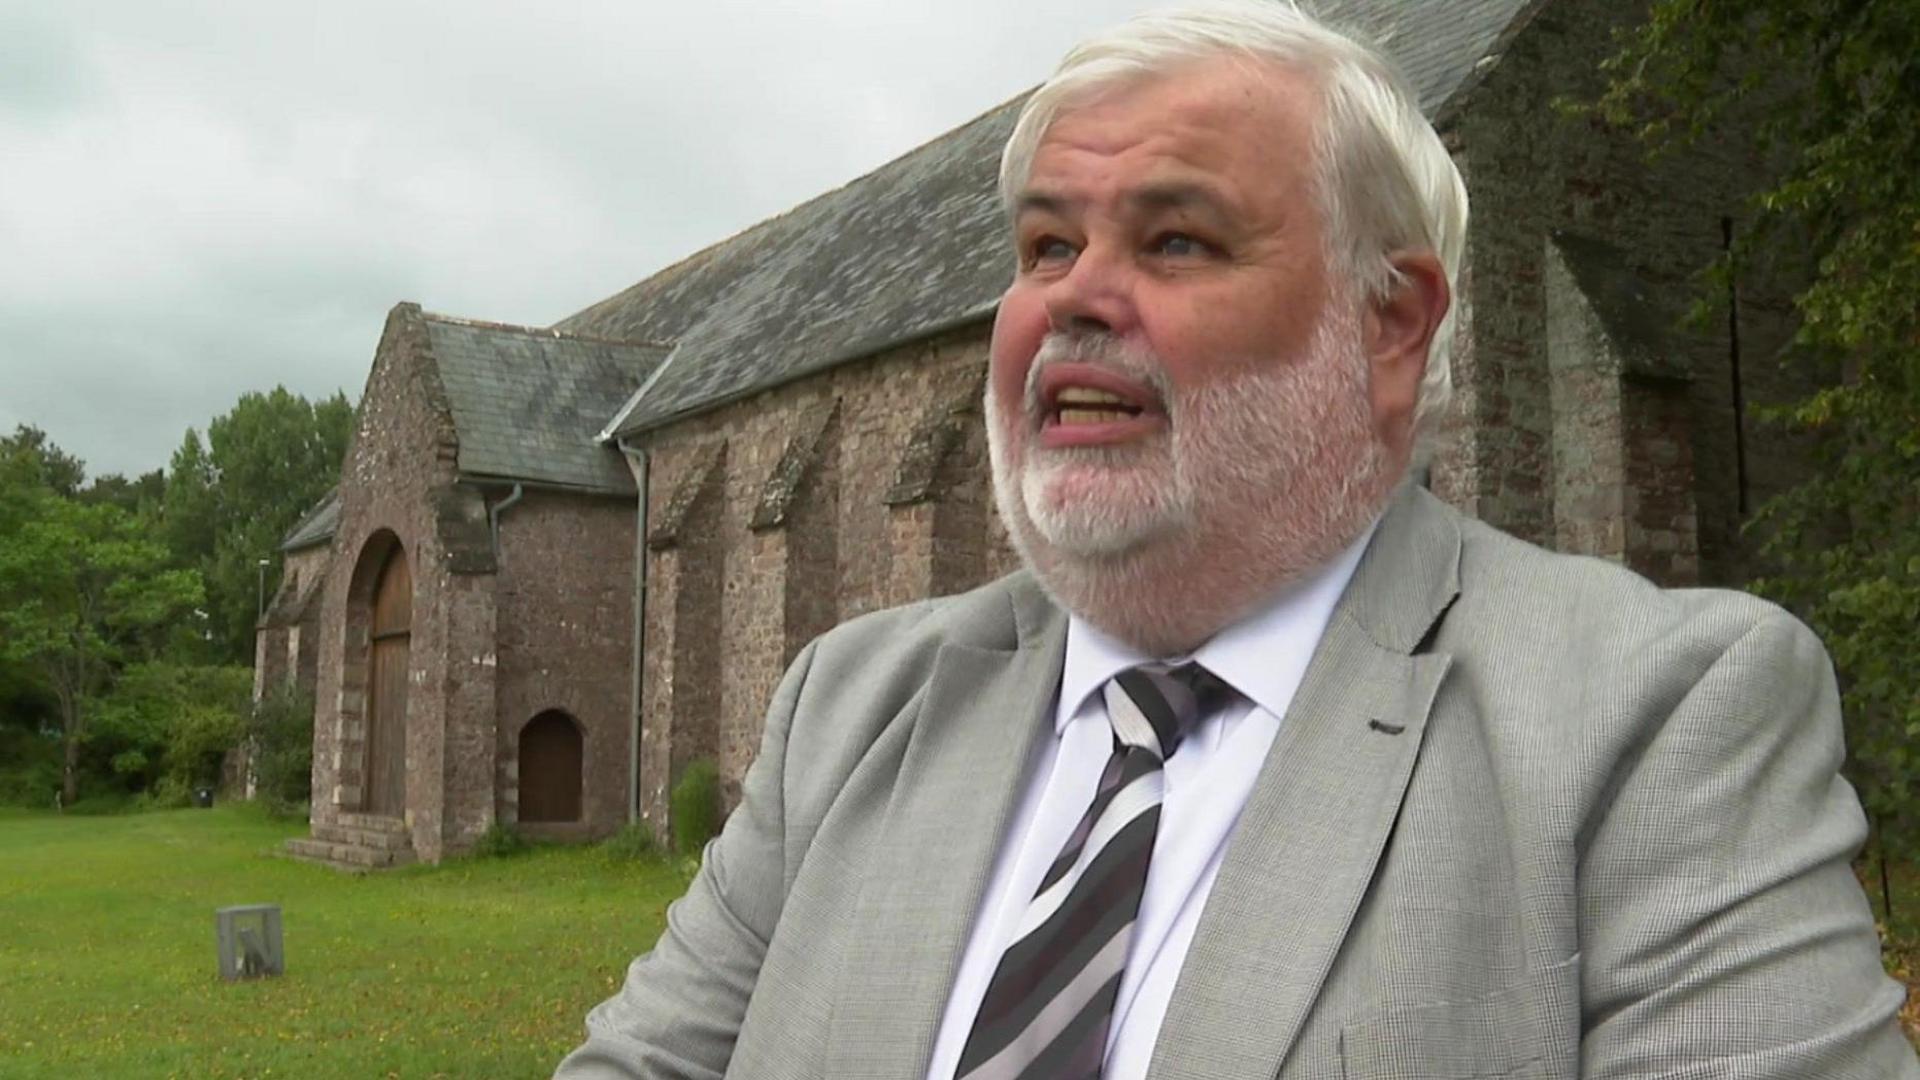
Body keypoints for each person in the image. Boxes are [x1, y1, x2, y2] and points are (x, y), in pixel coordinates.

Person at [556, 2, 1919, 1077]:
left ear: (1390, 327)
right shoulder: (850, 707)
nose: (1073, 299)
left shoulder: (1656, 718)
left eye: (1178, 241)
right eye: (1043, 247)